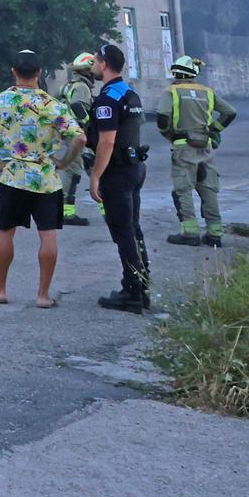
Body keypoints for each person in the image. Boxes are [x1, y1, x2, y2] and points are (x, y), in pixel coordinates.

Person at [0, 51, 84, 308]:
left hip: (13, 179)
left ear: (13, 71)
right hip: (46, 180)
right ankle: (43, 295)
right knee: (48, 235)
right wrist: (64, 162)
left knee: (5, 232)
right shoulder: (53, 104)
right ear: (39, 73)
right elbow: (80, 138)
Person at [88, 43, 152, 312]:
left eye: (94, 61)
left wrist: (95, 176)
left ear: (103, 65)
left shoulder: (108, 98)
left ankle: (132, 291)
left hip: (117, 173)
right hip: (135, 168)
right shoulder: (130, 93)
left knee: (122, 231)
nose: (92, 65)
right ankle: (142, 284)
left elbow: (106, 142)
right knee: (132, 227)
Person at [157, 55, 237, 247]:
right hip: (206, 147)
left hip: (183, 147)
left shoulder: (172, 92)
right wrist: (214, 129)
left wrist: (169, 134)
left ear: (177, 72)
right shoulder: (207, 92)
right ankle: (215, 234)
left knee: (183, 190)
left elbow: (162, 119)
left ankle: (190, 232)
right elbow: (230, 112)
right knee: (209, 189)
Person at [56, 53, 99, 226]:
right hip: (77, 134)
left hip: (71, 134)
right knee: (73, 172)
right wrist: (89, 126)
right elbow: (76, 105)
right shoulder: (82, 87)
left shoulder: (68, 85)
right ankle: (66, 213)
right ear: (87, 70)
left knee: (92, 168)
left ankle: (107, 208)